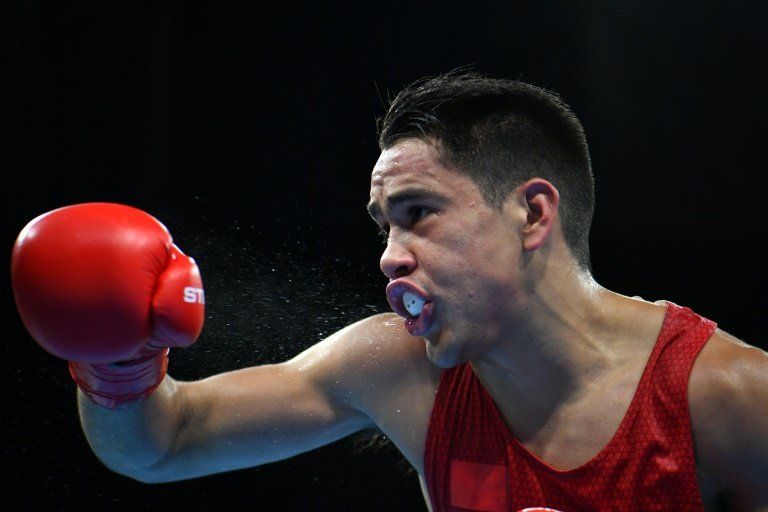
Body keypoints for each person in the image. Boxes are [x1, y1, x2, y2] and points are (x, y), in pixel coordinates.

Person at [11, 71, 768, 512]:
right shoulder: (402, 370)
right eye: (383, 227)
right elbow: (163, 445)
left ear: (532, 213)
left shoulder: (730, 398)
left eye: (419, 216)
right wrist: (119, 365)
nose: (390, 259)